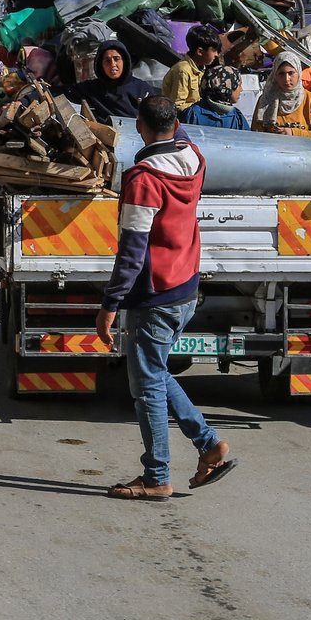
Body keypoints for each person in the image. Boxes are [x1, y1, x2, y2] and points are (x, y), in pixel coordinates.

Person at [97, 96, 234, 501]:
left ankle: (156, 477)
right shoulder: (194, 158)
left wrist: (109, 305)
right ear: (176, 124)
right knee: (153, 373)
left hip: (155, 293)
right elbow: (176, 133)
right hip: (186, 286)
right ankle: (208, 445)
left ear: (139, 125)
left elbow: (132, 251)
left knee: (147, 388)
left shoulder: (143, 179)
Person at [68, 39, 158, 124]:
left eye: (117, 59)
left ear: (125, 61)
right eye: (107, 60)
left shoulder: (141, 89)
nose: (112, 64)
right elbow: (64, 92)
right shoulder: (92, 88)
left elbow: (155, 119)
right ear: (100, 65)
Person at [251, 57, 311, 139]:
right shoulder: (265, 100)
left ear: (299, 73)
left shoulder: (310, 99)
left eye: (291, 73)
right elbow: (256, 134)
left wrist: (293, 132)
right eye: (281, 74)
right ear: (275, 75)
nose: (286, 79)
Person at [161, 25, 222, 112]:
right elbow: (177, 106)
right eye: (214, 50)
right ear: (200, 52)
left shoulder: (202, 69)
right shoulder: (183, 71)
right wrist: (203, 110)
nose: (216, 55)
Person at [180, 64, 248, 130]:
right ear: (227, 87)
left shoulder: (237, 117)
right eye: (239, 85)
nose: (241, 89)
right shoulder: (193, 114)